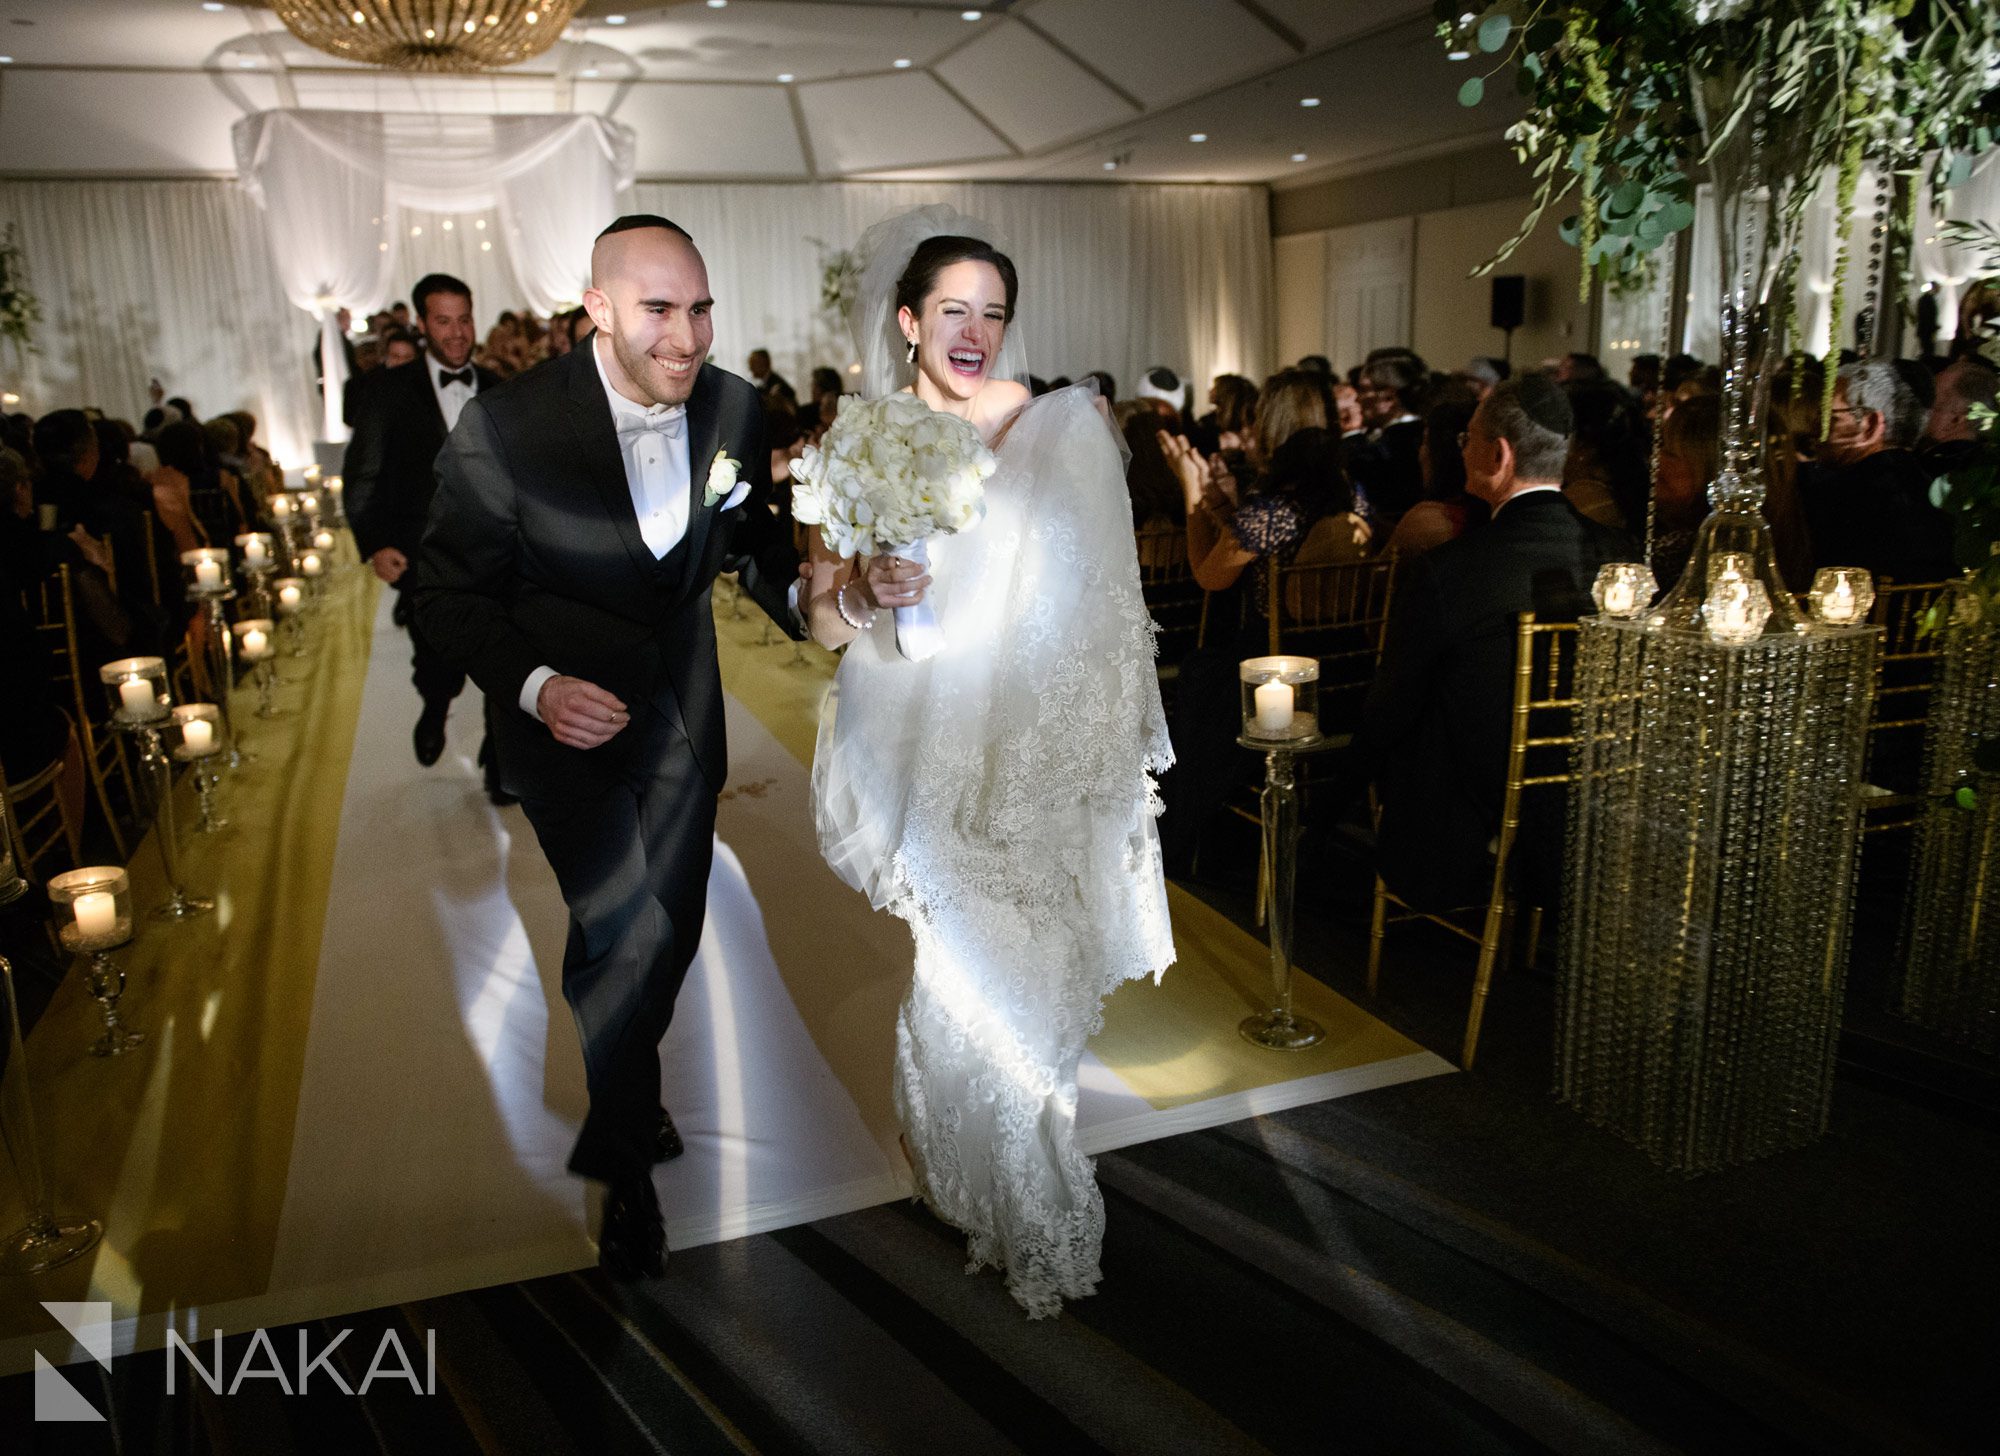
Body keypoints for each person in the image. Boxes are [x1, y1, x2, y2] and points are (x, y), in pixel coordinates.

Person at [414, 216, 803, 1282]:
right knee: (614, 924)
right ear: (596, 308)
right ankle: (626, 1167)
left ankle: (621, 1085)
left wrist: (826, 593)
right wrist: (537, 688)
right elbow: (443, 595)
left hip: (683, 715)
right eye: (660, 310)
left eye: (702, 308)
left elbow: (754, 546)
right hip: (563, 732)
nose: (689, 337)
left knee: (666, 930)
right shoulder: (508, 428)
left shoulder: (732, 406)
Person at [802, 210, 1172, 1319]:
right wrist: (861, 590)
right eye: (952, 310)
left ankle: (1010, 1165)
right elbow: (819, 618)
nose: (974, 332)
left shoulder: (1049, 423)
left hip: (1035, 752)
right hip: (922, 753)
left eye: (993, 314)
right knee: (966, 978)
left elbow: (1097, 599)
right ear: (909, 321)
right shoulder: (855, 441)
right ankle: (1008, 1191)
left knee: (1042, 981)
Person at [1355, 376, 1629, 913]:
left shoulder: (1453, 570)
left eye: (1467, 439)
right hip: (1592, 806)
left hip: (1480, 815)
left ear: (1499, 455)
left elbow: (1391, 705)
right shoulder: (1620, 555)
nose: (1461, 450)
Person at [345, 272, 501, 778]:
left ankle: (501, 758)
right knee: (435, 658)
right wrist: (375, 543)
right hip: (422, 555)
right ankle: (435, 706)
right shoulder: (387, 392)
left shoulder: (501, 390)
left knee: (504, 660)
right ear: (420, 324)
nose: (457, 333)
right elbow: (363, 473)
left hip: (498, 555)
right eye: (443, 321)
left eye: (464, 320)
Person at [1804, 360, 1956, 585]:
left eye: (1828, 416)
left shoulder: (1842, 495)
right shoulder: (1936, 491)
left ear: (1870, 424)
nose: (1815, 426)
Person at [1385, 391, 1484, 557]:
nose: (1420, 452)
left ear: (1443, 454)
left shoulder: (1428, 521)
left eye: (1425, 441)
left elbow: (1377, 578)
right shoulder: (1503, 517)